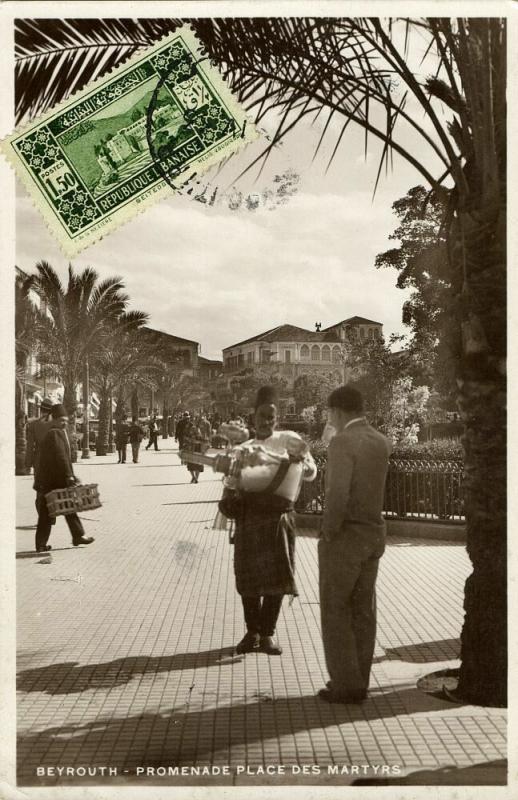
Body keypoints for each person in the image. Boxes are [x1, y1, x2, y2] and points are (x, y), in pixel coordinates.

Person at [221, 386, 316, 656]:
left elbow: (311, 472)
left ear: (278, 417)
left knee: (277, 577)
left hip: (280, 519)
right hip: (249, 520)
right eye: (262, 416)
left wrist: (302, 462)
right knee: (248, 579)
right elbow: (230, 482)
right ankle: (252, 632)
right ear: (253, 416)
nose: (267, 421)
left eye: (271, 416)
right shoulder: (244, 448)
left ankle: (268, 634)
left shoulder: (290, 440)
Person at [318, 385, 391, 704]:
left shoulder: (342, 441)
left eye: (329, 413)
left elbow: (337, 494)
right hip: (373, 533)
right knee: (364, 610)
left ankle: (344, 684)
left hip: (346, 536)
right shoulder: (380, 440)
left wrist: (328, 532)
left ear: (337, 411)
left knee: (336, 610)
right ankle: (360, 679)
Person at [35, 404, 95, 552]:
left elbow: (64, 459)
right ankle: (42, 544)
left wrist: (71, 475)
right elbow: (61, 458)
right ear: (54, 420)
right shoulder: (55, 433)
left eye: (66, 420)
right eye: (62, 420)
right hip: (53, 480)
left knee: (68, 507)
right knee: (47, 513)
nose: (65, 423)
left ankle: (77, 536)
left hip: (54, 479)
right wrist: (69, 476)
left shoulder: (57, 432)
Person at [25, 397, 54, 477]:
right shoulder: (55, 425)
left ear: (41, 410)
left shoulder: (33, 425)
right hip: (53, 461)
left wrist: (28, 465)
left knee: (40, 487)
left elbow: (30, 446)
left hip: (38, 461)